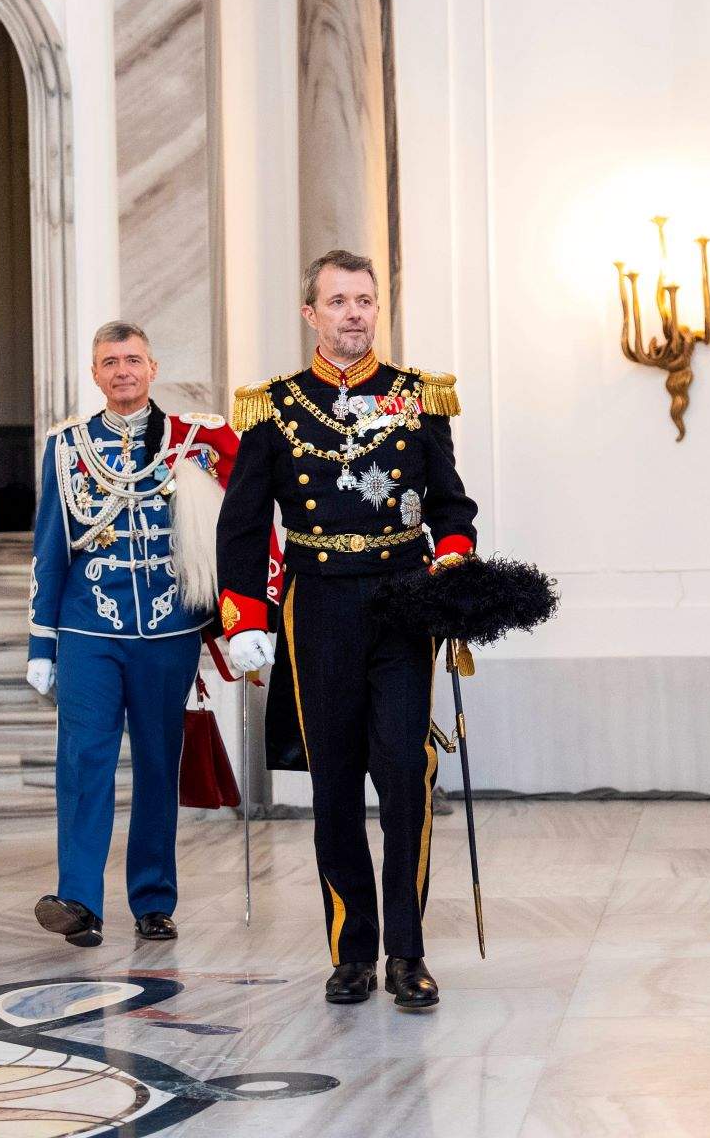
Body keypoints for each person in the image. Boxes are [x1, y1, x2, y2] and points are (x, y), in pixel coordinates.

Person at [215, 249, 478, 1013]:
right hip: (319, 602)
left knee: (404, 774)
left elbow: (451, 509)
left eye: (364, 300)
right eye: (338, 301)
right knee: (333, 784)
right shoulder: (272, 407)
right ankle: (351, 951)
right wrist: (245, 618)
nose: (354, 314)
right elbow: (241, 526)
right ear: (311, 314)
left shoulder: (417, 398)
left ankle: (408, 954)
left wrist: (455, 563)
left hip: (402, 602)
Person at [27, 320, 238, 948]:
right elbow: (48, 547)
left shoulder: (190, 441)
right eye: (109, 361)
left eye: (133, 360)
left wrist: (235, 620)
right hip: (88, 626)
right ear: (95, 375)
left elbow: (225, 530)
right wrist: (42, 644)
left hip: (169, 628)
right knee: (83, 761)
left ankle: (152, 899)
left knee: (156, 764)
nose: (122, 371)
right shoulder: (67, 448)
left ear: (152, 369)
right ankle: (80, 901)